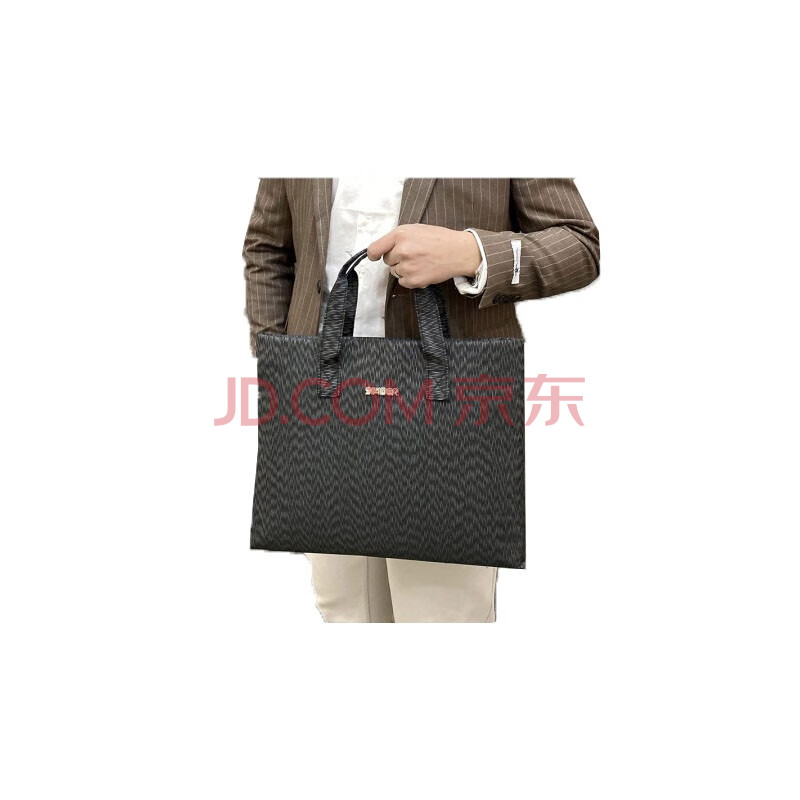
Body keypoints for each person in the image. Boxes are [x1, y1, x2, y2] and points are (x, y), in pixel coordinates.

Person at [242, 178, 600, 622]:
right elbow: (269, 247)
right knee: (344, 613)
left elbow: (578, 244)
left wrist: (471, 253)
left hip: (448, 415)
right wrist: (277, 359)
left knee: (440, 617)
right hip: (320, 408)